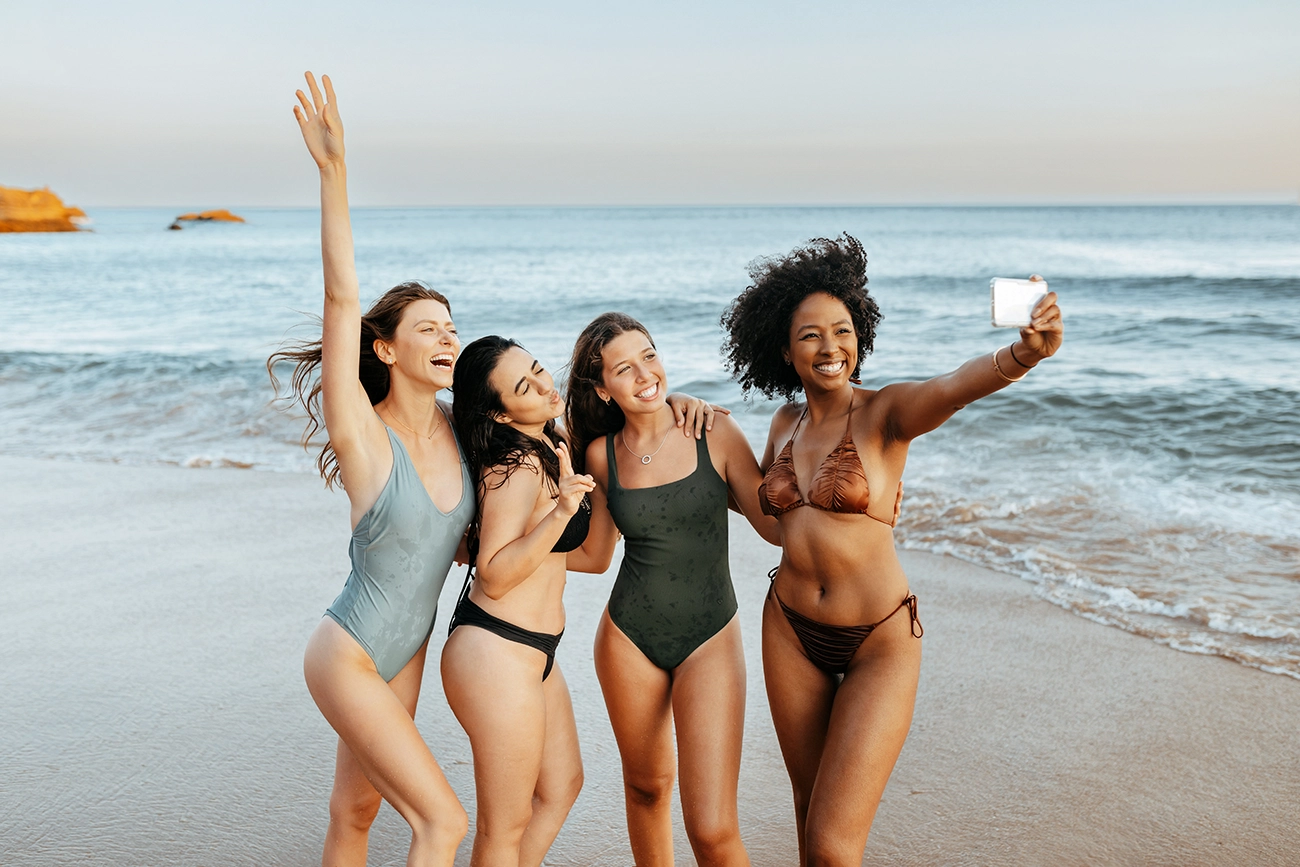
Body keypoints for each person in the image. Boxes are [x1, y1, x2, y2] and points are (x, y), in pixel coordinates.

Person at [719, 235, 1063, 866]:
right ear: (784, 348)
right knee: (807, 811)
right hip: (790, 629)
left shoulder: (887, 413)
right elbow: (776, 525)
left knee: (832, 843)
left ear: (861, 335)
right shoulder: (783, 422)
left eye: (843, 331)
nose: (830, 348)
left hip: (879, 637)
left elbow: (956, 386)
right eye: (811, 336)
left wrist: (1023, 355)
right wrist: (707, 434)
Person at [268, 73, 471, 866]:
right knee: (443, 823)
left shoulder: (464, 432)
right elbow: (341, 295)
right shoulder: (363, 429)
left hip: (407, 652)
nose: (447, 337)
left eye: (452, 327)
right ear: (387, 348)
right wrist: (334, 174)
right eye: (428, 327)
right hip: (348, 650)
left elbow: (542, 421)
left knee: (355, 815)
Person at [565, 313, 781, 866]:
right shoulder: (599, 456)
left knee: (711, 828)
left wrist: (861, 501)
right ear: (601, 388)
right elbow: (593, 557)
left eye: (650, 356)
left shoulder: (714, 431)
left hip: (709, 635)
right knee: (646, 790)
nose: (644, 375)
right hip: (627, 638)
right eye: (624, 368)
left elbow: (777, 527)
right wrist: (493, 548)